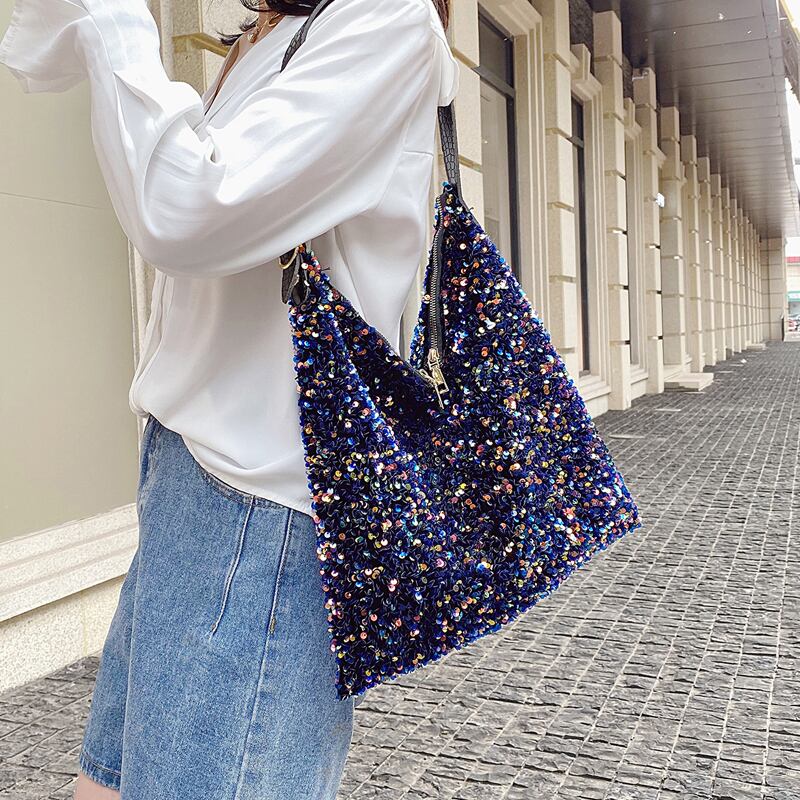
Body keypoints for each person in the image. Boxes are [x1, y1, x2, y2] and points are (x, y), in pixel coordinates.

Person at [0, 0, 459, 797]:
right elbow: (38, 54)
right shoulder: (272, 31)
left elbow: (187, 209)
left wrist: (115, 20)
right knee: (107, 786)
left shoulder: (386, 19)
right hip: (186, 472)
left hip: (264, 505)